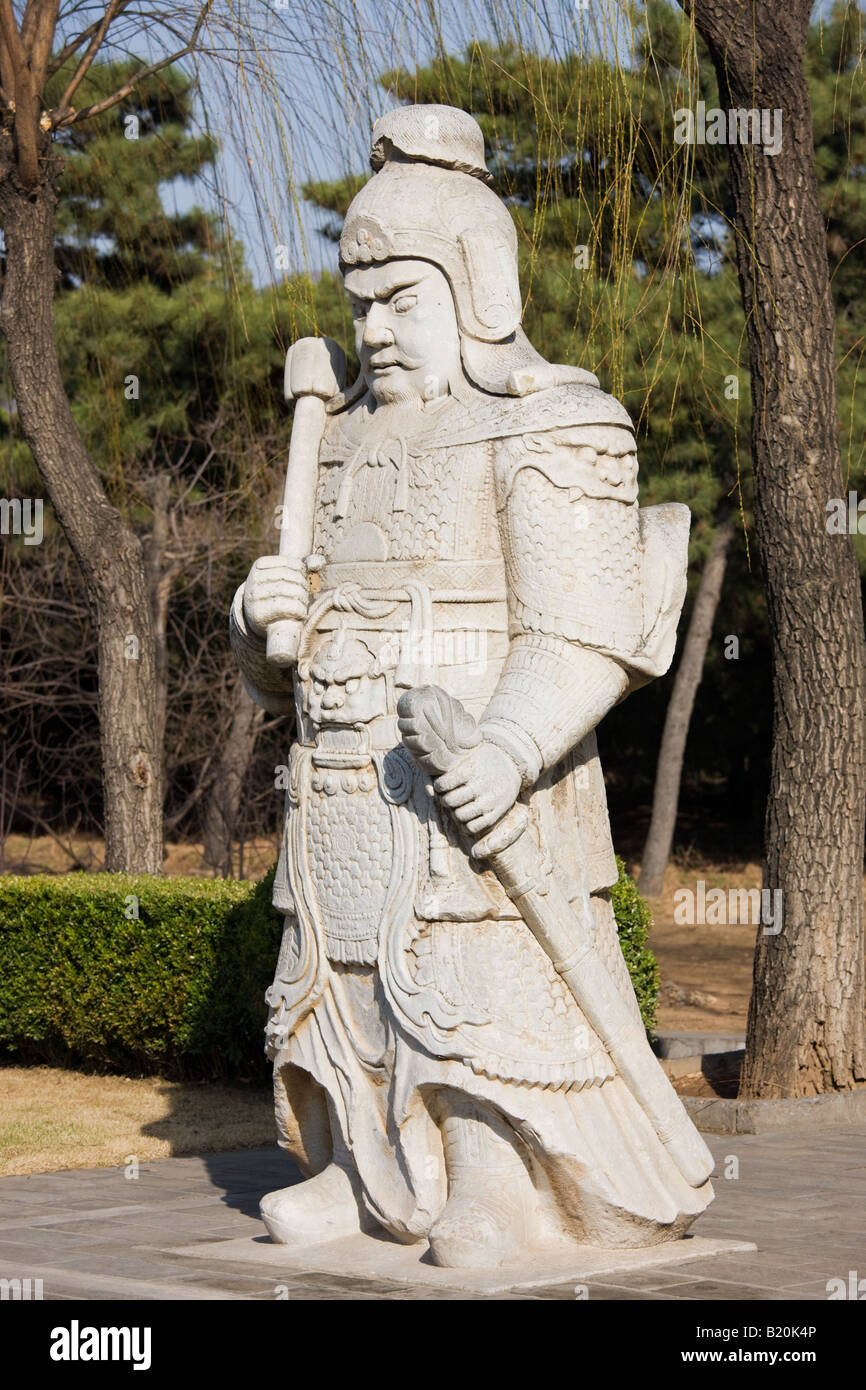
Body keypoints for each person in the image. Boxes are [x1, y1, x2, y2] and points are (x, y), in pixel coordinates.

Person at [230, 103, 713, 1268]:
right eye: (360, 305)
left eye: (404, 301)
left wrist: (503, 748)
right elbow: (277, 653)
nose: (376, 330)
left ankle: (493, 1177)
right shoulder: (334, 439)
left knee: (475, 972)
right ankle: (366, 1167)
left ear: (476, 294)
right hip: (342, 773)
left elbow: (582, 628)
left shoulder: (552, 424)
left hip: (481, 761)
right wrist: (260, 624)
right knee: (342, 979)